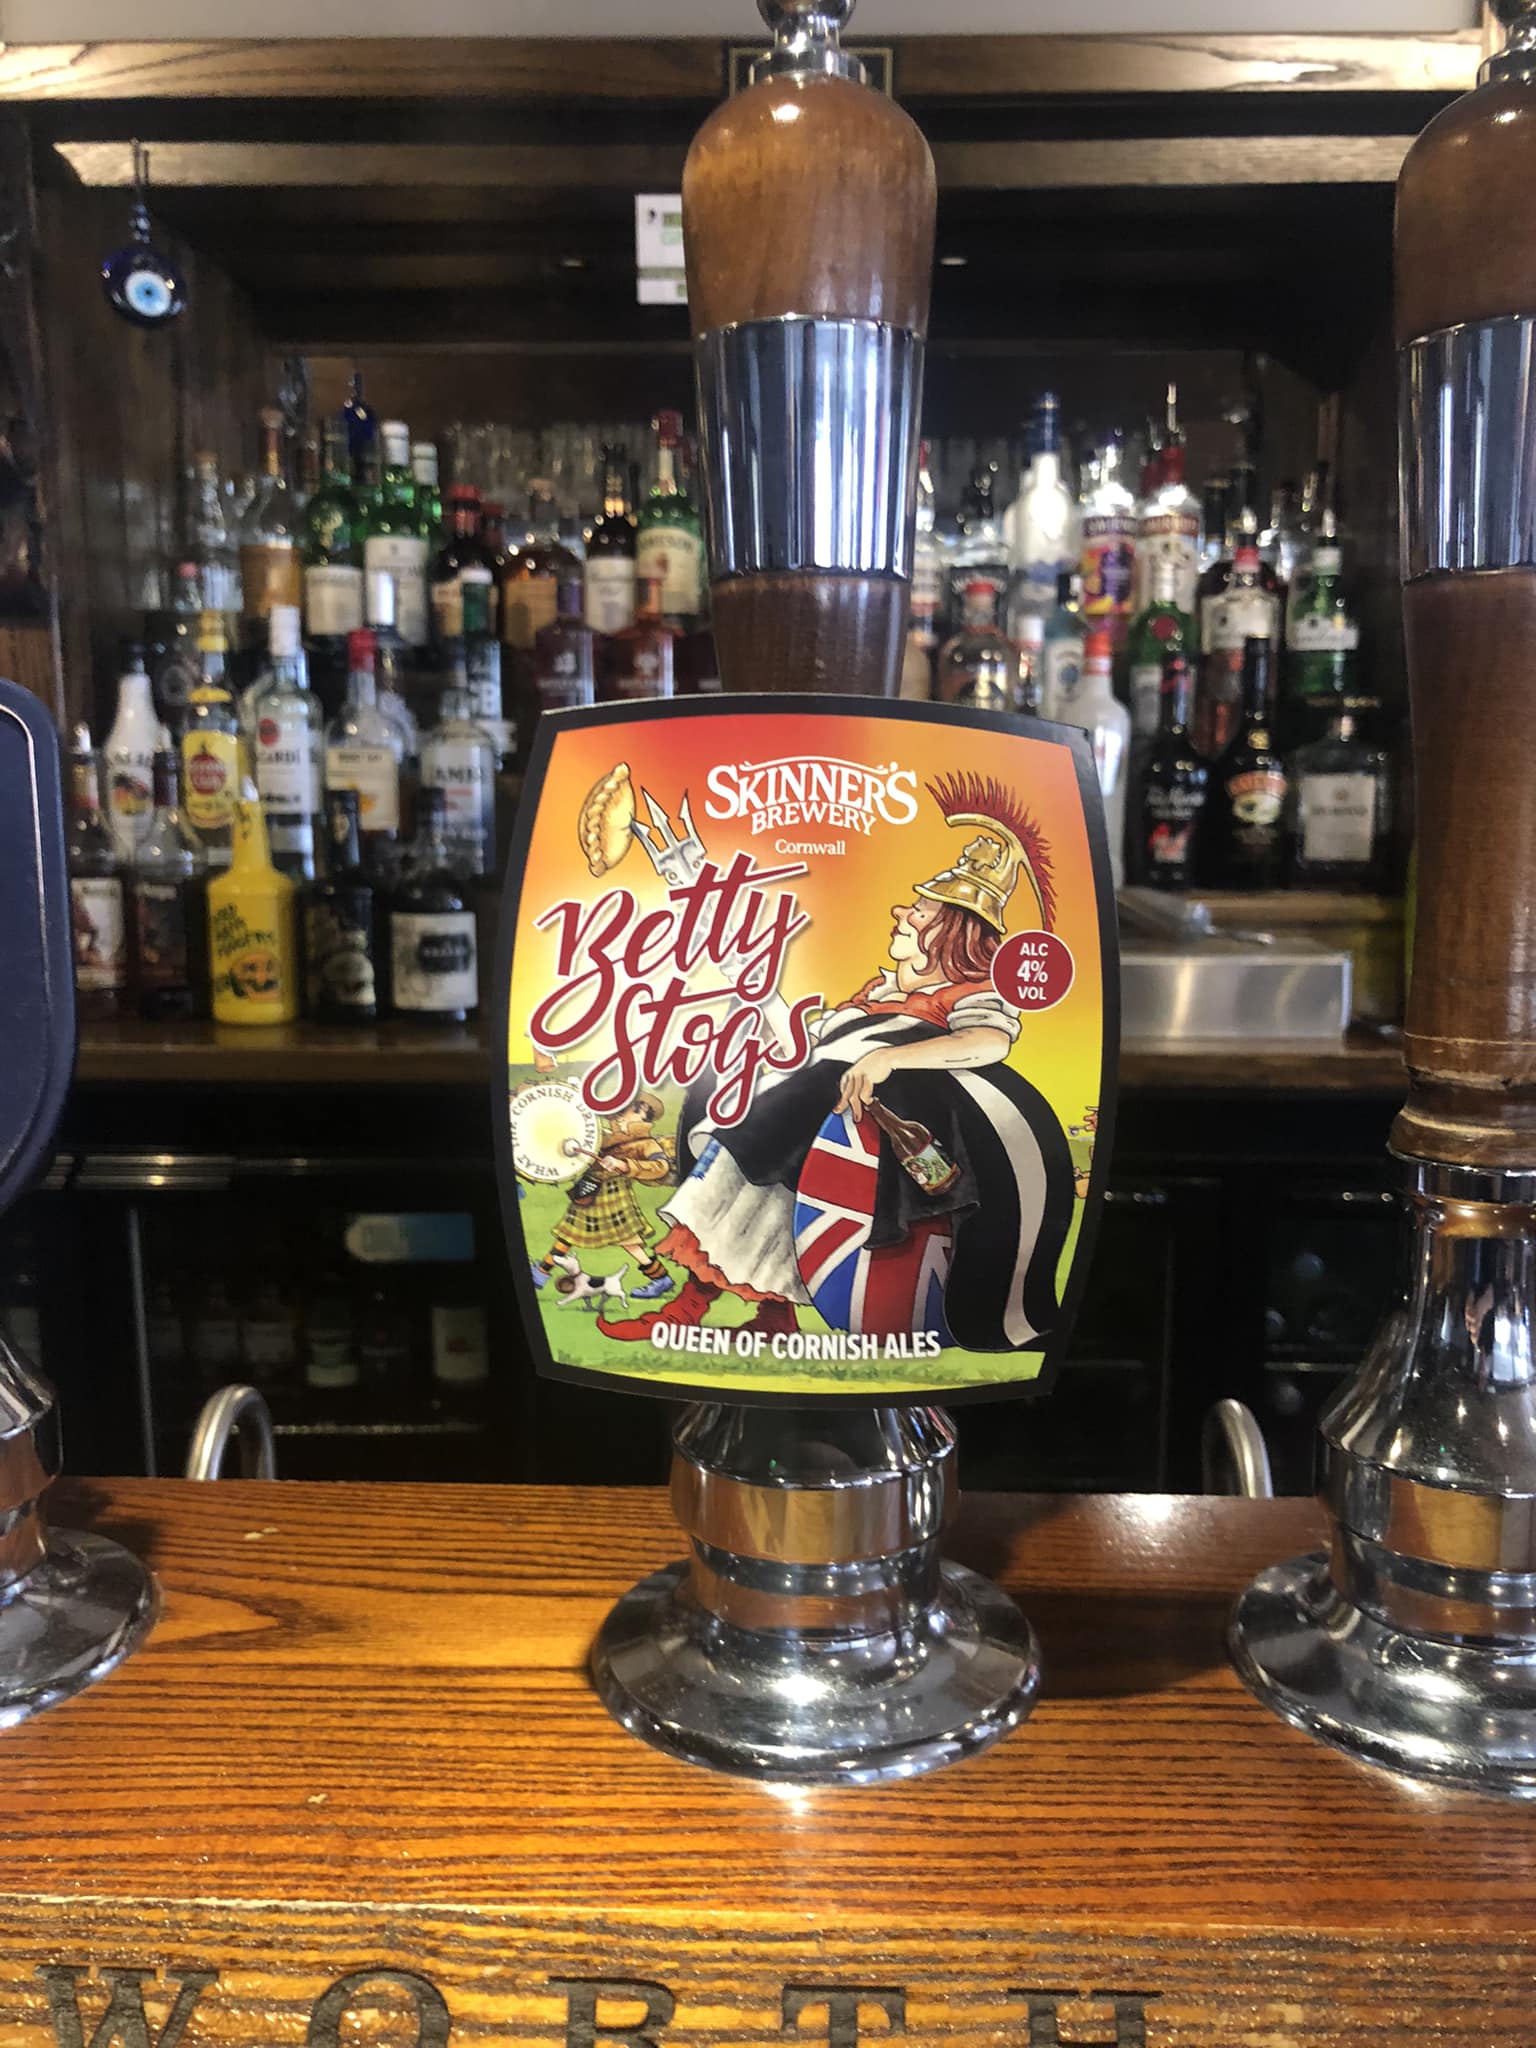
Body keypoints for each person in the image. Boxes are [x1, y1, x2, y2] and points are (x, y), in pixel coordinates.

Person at [598, 772, 1074, 1353]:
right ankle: (759, 1315)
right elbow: (796, 1037)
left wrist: (887, 1059)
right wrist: (700, 890)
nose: (902, 913)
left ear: (949, 931)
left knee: (776, 1143)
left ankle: (691, 1307)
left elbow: (989, 1042)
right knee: (750, 1122)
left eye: (919, 911)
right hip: (821, 1113)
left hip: (894, 1138)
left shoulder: (969, 992)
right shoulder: (875, 996)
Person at [532, 1091, 675, 1302]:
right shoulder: (605, 1136)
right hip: (591, 1189)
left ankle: (661, 1278)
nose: (618, 1114)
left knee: (628, 1240)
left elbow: (660, 1167)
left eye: (624, 1109)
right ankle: (541, 1273)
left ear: (642, 1110)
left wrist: (624, 1165)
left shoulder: (646, 1143)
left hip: (614, 1194)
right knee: (569, 1233)